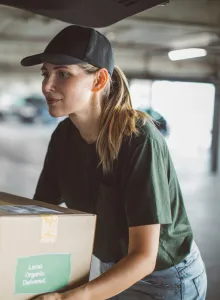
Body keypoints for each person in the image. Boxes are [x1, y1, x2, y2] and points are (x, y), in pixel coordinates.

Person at [21, 25, 207, 300]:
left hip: (163, 279)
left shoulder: (138, 138)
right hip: (112, 269)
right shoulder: (63, 136)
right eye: (45, 74)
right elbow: (41, 212)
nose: (47, 86)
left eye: (63, 74)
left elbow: (145, 257)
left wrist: (72, 297)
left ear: (98, 81)